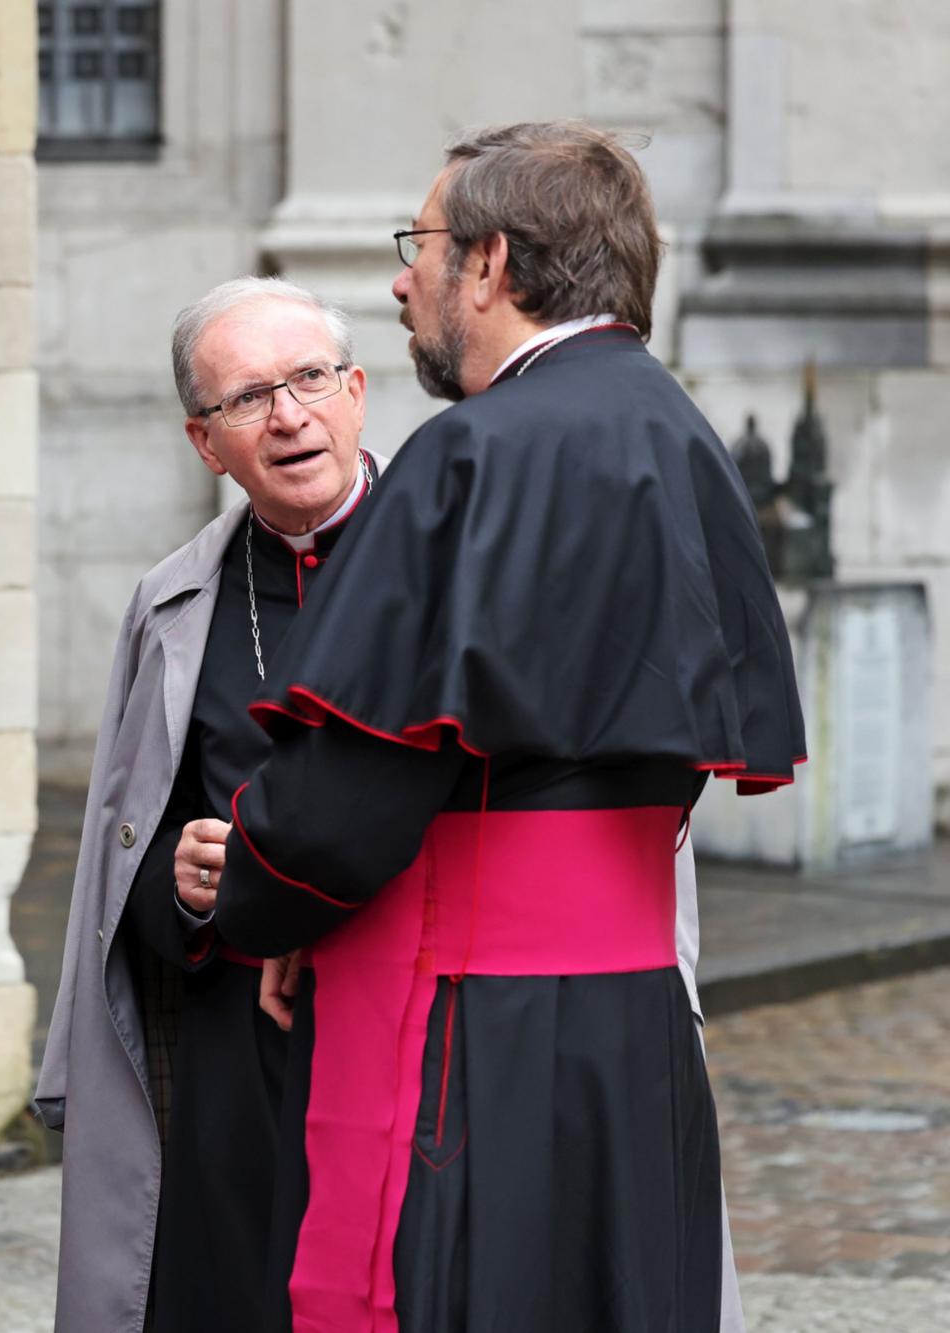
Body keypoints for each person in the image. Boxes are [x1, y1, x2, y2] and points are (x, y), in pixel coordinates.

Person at [216, 121, 804, 1331]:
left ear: (487, 265)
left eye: (417, 247)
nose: (398, 280)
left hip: (474, 1026)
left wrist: (259, 898)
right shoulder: (683, 438)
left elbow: (340, 804)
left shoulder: (470, 455)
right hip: (634, 1023)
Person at [34, 277, 378, 1333]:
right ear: (203, 440)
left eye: (309, 380)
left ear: (356, 391)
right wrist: (177, 887)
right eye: (245, 399)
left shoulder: (454, 563)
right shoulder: (171, 600)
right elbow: (117, 858)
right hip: (241, 1047)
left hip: (408, 1021)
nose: (286, 417)